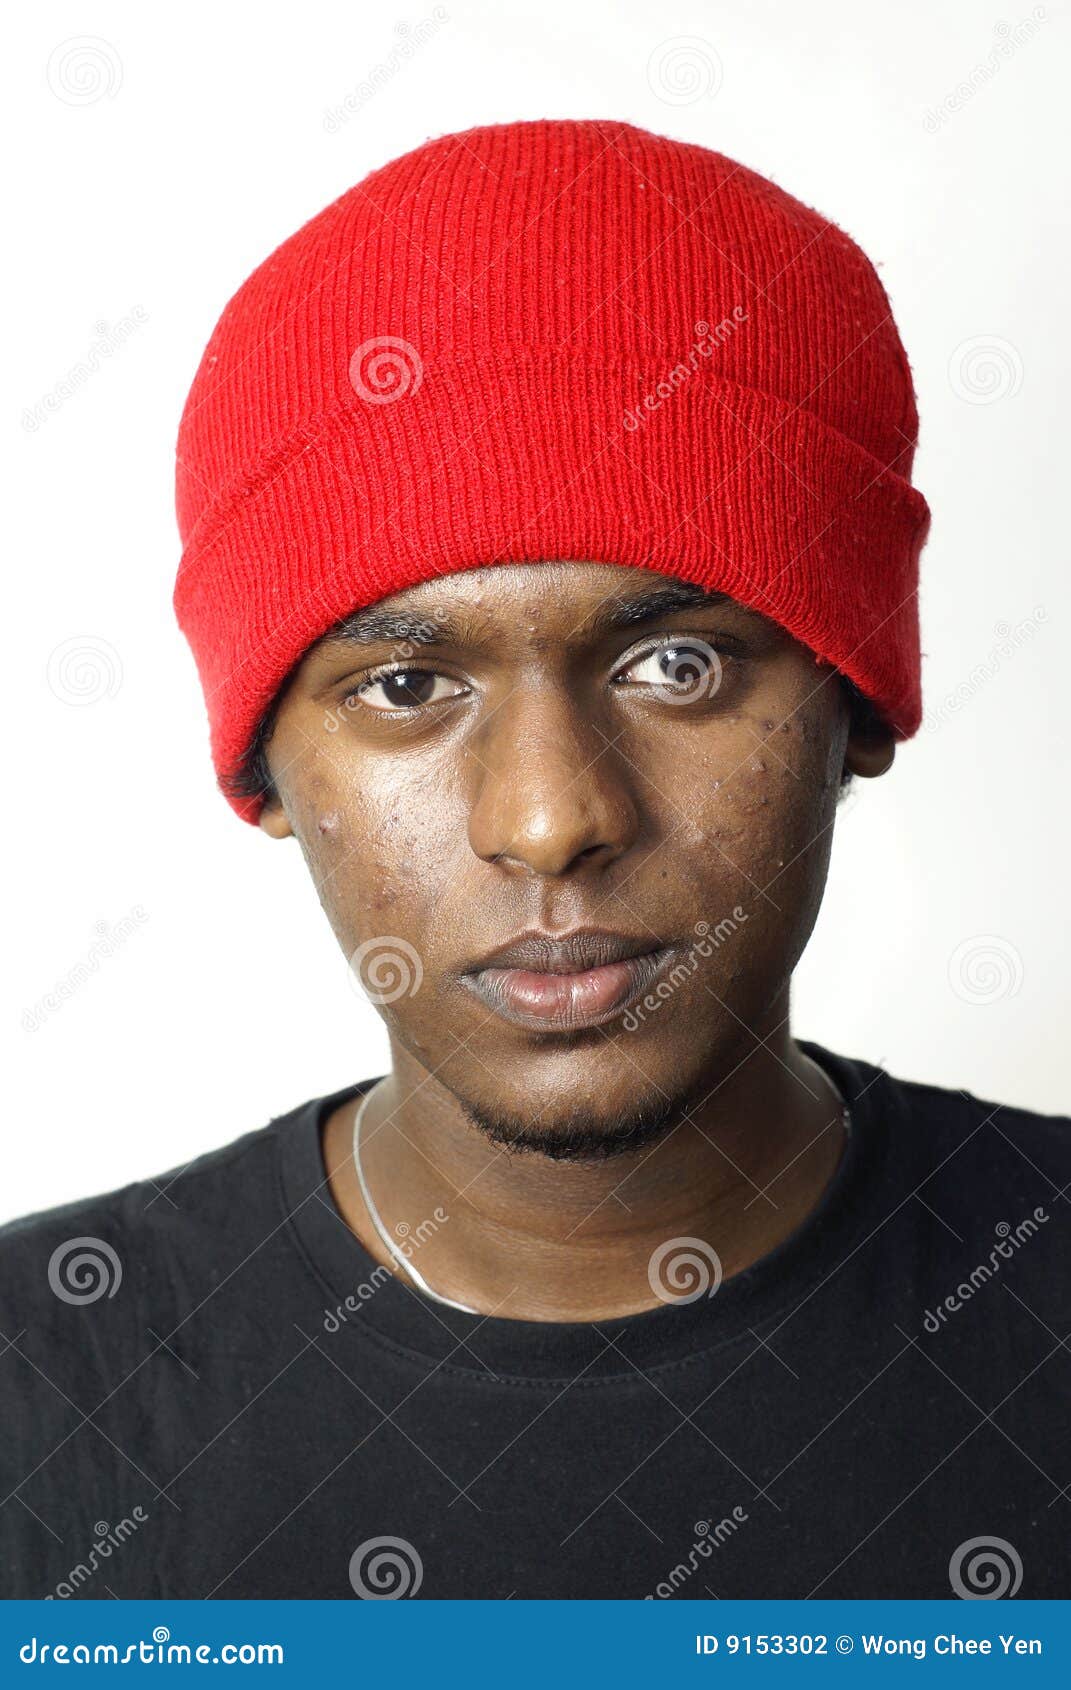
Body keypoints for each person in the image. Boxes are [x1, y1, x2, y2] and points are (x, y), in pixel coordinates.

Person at [1, 120, 1066, 1603]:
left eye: (678, 662)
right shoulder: (41, 1394)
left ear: (858, 702)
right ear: (265, 777)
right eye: (405, 686)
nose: (553, 815)